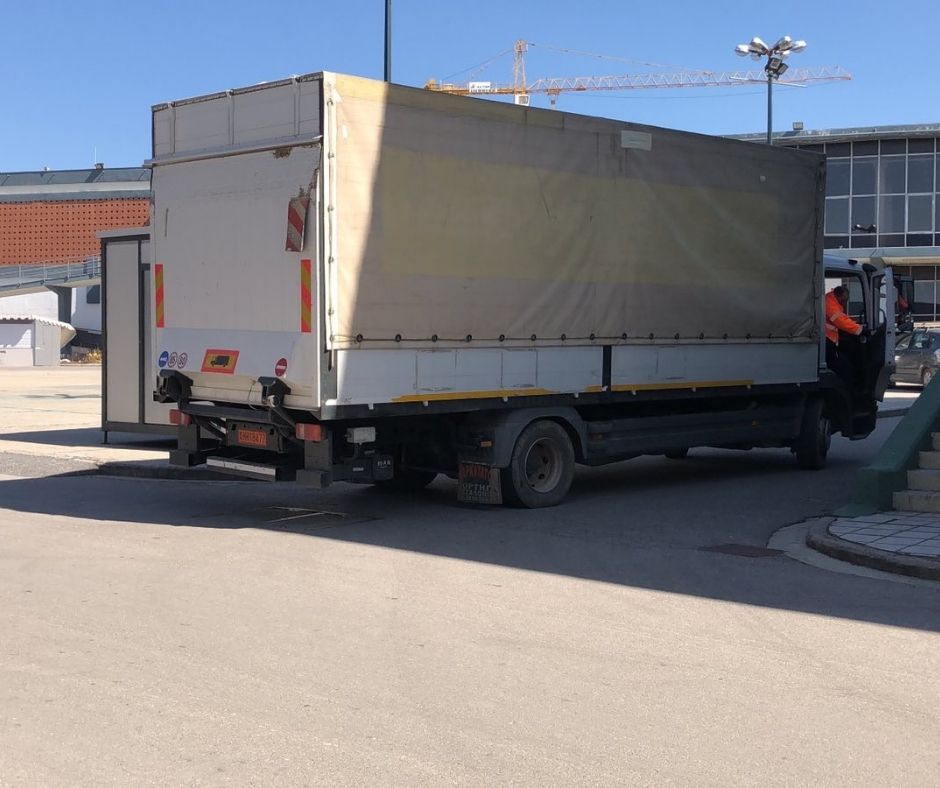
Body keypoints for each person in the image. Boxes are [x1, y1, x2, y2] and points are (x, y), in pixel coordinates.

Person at [825, 285, 863, 384]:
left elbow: (843, 318)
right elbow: (840, 321)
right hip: (826, 339)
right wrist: (859, 329)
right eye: (844, 300)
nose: (845, 303)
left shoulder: (832, 301)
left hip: (828, 338)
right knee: (839, 366)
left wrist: (855, 324)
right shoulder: (830, 304)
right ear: (838, 295)